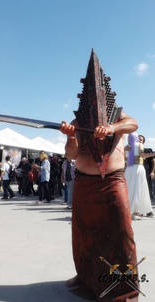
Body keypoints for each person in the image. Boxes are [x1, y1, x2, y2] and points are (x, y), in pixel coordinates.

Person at [61, 111, 139, 301]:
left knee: (123, 231)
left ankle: (125, 290)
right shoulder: (77, 120)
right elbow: (70, 154)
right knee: (84, 234)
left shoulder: (116, 113)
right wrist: (71, 136)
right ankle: (87, 279)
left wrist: (112, 127)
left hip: (113, 180)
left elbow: (133, 124)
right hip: (84, 183)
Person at [125, 132, 155, 219]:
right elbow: (142, 155)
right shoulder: (139, 145)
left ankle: (128, 211)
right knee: (139, 190)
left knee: (129, 189)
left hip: (129, 169)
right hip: (138, 169)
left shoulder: (126, 147)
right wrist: (153, 154)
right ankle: (136, 212)